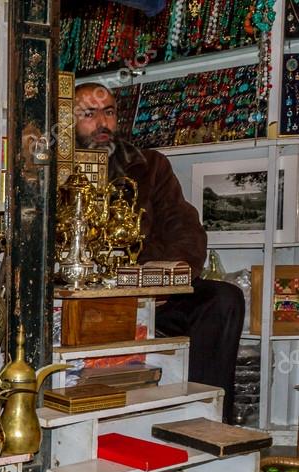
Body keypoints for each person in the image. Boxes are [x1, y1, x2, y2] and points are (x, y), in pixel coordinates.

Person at [73, 82, 244, 423]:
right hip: (82, 295)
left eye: (109, 112)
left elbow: (186, 231)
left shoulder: (148, 165)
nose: (103, 124)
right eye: (89, 115)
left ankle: (205, 421)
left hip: (150, 294)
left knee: (224, 298)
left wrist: (156, 279)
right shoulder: (55, 171)